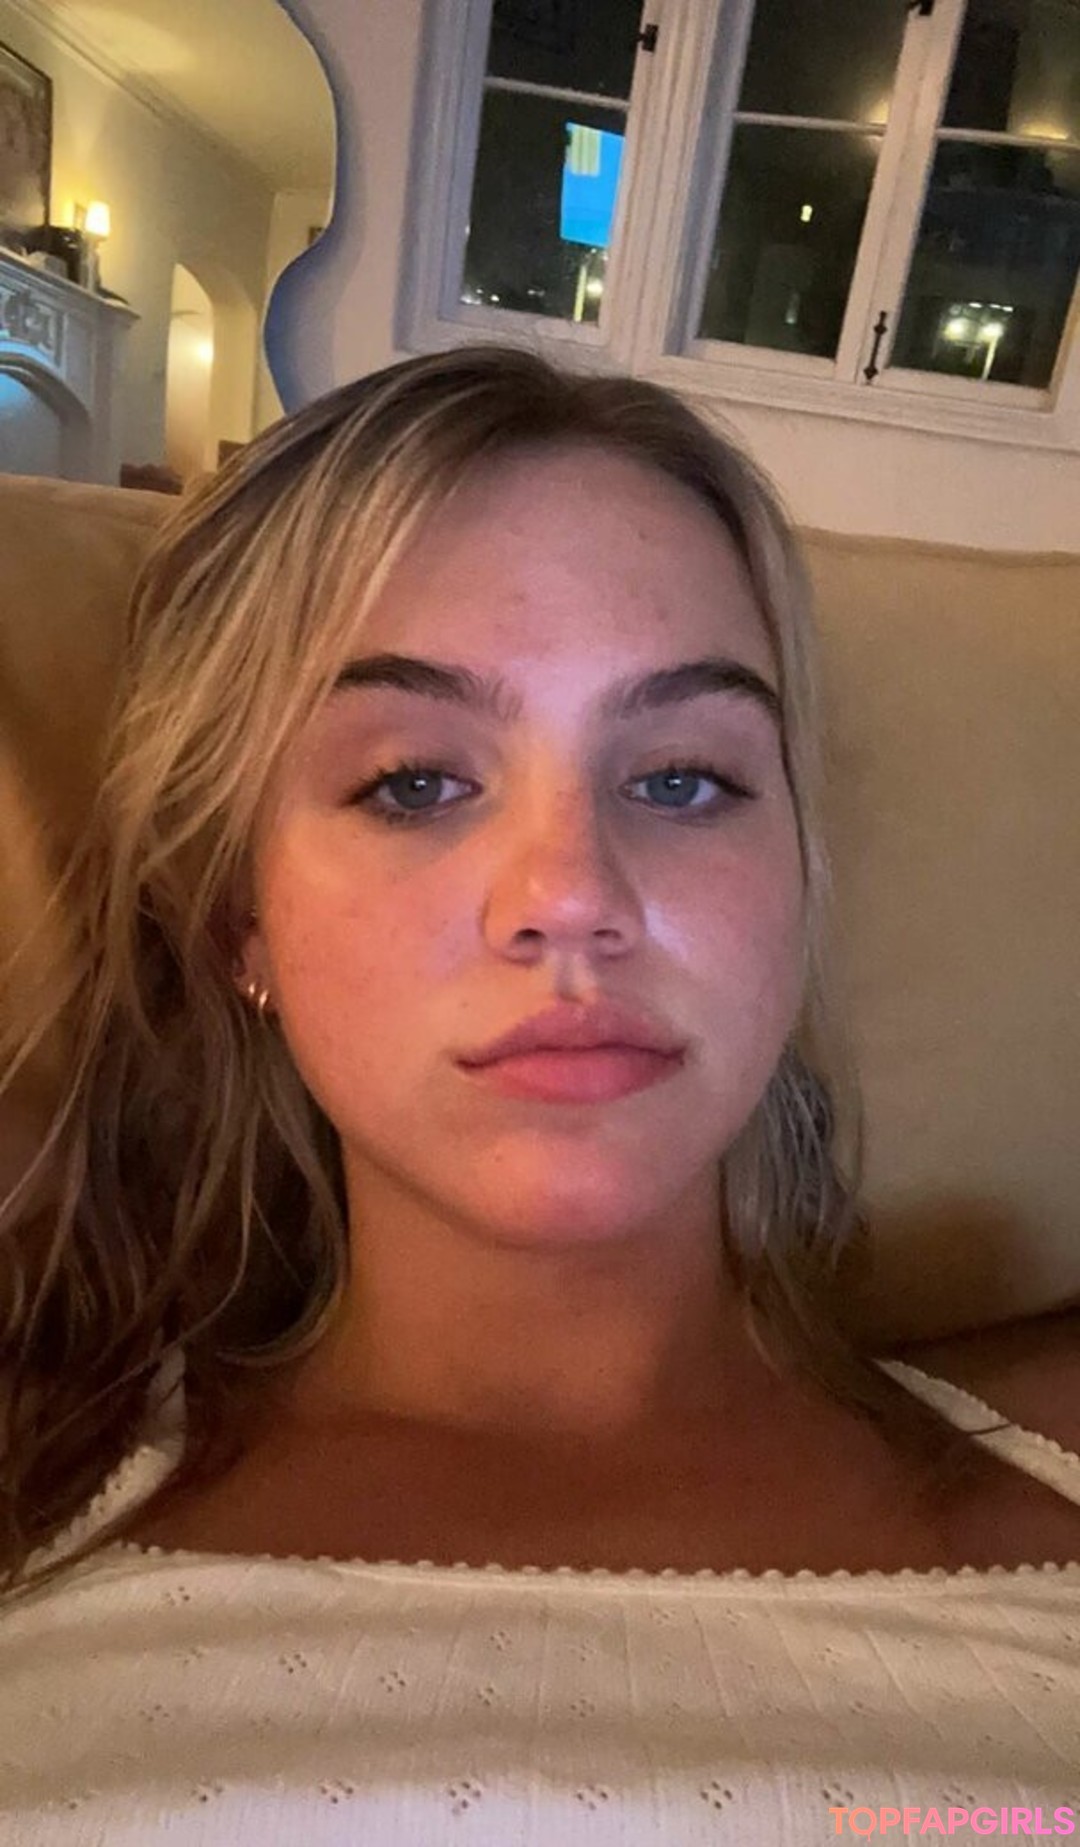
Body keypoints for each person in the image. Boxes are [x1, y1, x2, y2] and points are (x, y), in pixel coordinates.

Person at [0, 344, 1077, 1844]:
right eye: (415, 783)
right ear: (241, 919)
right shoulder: (35, 1475)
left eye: (683, 779)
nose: (572, 896)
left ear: (796, 880)